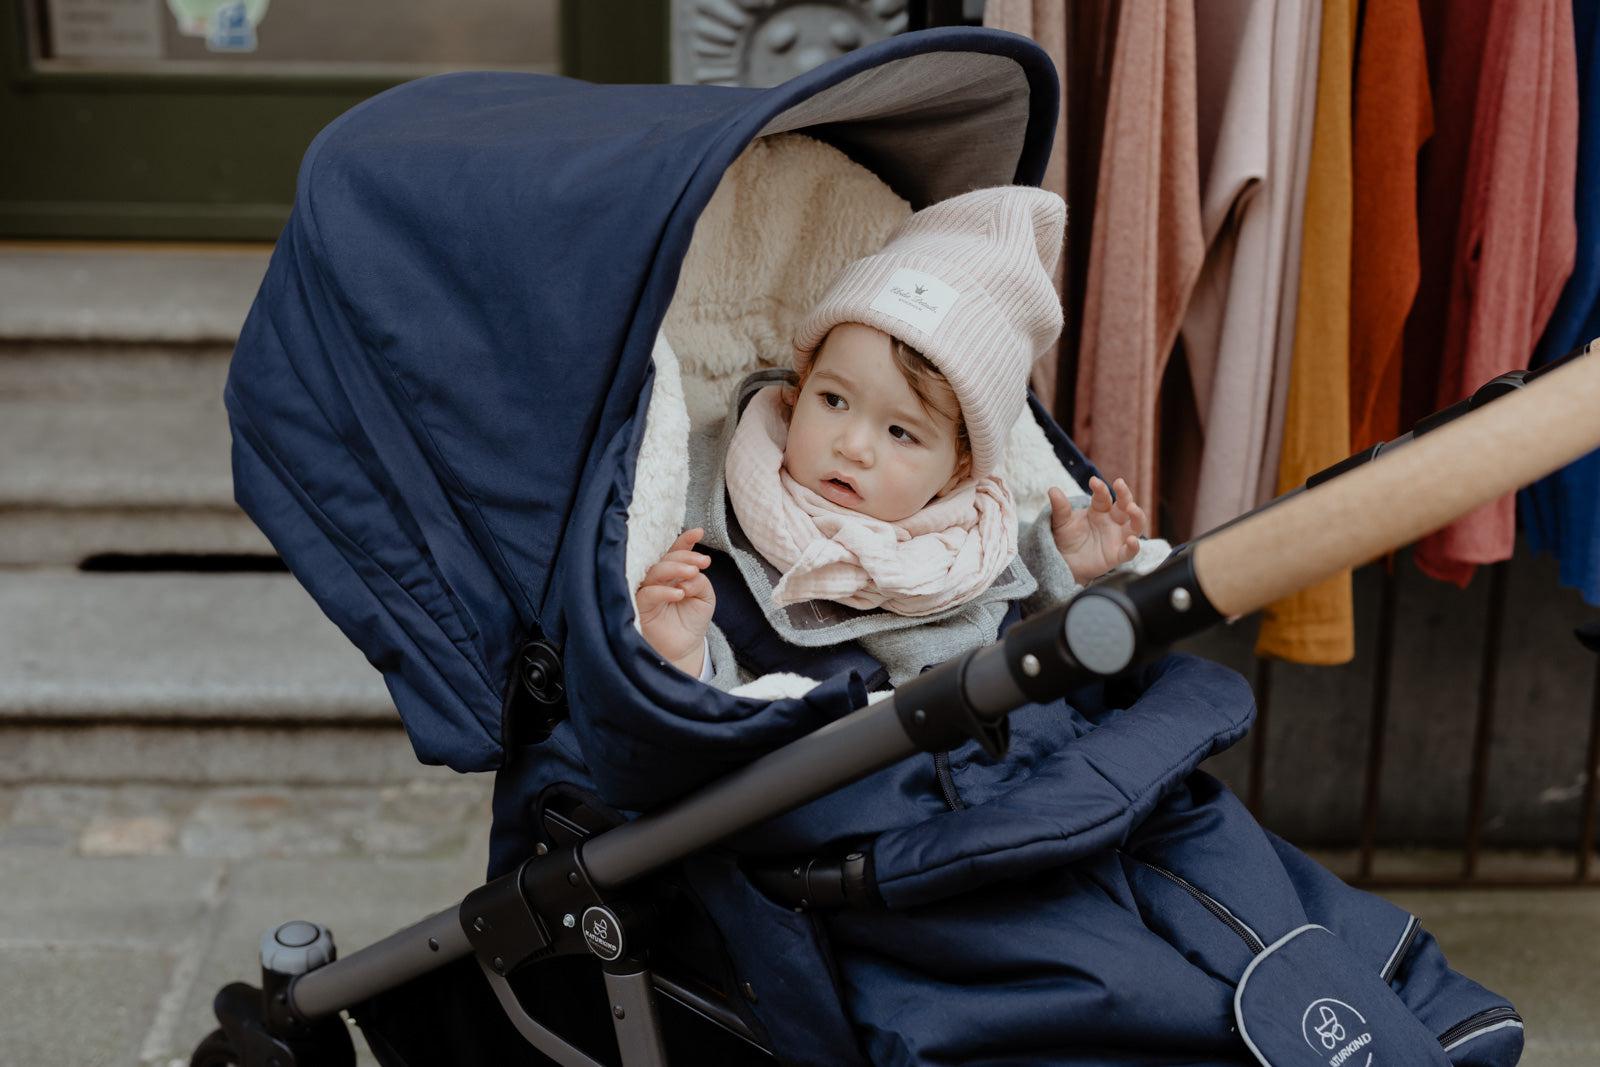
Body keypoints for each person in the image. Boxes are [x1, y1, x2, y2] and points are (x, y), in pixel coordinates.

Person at [636, 185, 1152, 687]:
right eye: (833, 400)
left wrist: (1062, 563)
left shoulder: (972, 546)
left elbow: (1018, 636)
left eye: (902, 432)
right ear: (797, 391)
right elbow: (733, 709)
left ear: (958, 470)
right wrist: (687, 655)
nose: (853, 447)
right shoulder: (707, 498)